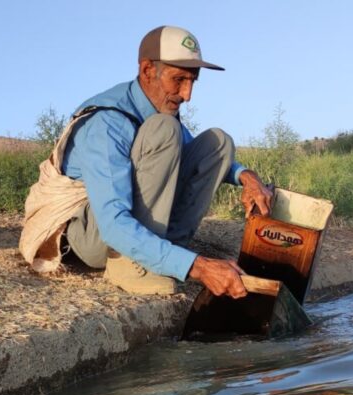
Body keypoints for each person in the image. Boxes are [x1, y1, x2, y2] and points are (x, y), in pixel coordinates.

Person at [19, 25, 274, 298]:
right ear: (147, 71)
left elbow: (196, 153)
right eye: (179, 80)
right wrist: (199, 268)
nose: (187, 95)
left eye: (192, 82)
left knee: (219, 143)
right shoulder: (106, 123)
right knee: (165, 130)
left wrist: (246, 176)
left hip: (122, 222)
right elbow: (113, 223)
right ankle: (128, 263)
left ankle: (164, 251)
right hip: (94, 237)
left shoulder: (159, 108)